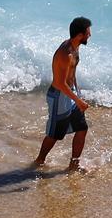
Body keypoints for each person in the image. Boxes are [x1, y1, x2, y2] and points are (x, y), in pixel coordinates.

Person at [33, 17, 92, 172]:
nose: (90, 35)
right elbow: (60, 83)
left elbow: (72, 75)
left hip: (70, 94)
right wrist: (78, 101)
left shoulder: (75, 47)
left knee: (82, 128)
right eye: (87, 32)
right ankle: (39, 161)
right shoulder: (65, 54)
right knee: (55, 135)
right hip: (59, 96)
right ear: (80, 35)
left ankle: (74, 164)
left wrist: (78, 94)